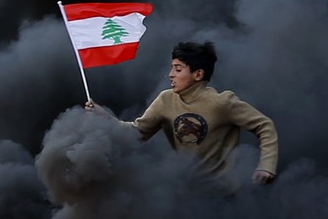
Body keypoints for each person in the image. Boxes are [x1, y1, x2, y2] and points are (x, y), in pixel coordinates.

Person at [86, 40, 279, 190]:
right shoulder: (166, 100)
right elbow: (136, 133)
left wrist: (266, 166)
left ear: (198, 74)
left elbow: (264, 125)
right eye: (172, 68)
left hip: (223, 193)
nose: (170, 74)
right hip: (185, 192)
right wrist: (105, 117)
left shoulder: (223, 103)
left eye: (178, 69)